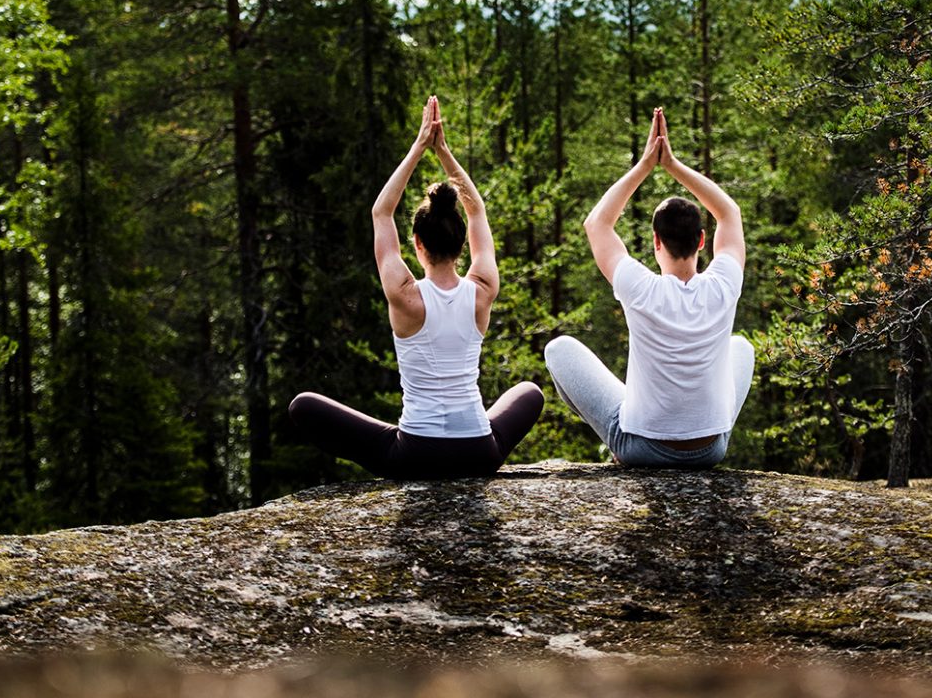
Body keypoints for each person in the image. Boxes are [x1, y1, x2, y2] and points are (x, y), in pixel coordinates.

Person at [288, 96, 544, 479]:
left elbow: (381, 212)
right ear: (462, 245)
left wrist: (419, 147)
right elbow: (477, 210)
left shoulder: (404, 295)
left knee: (303, 406)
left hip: (415, 456)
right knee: (530, 392)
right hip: (479, 453)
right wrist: (444, 154)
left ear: (417, 244)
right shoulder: (482, 290)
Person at [544, 107, 751, 468]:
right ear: (702, 241)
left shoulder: (640, 288)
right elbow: (729, 213)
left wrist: (645, 165)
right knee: (742, 347)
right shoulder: (724, 284)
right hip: (710, 450)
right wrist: (673, 165)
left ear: (656, 241)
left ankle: (621, 441)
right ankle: (695, 425)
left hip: (641, 449)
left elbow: (597, 224)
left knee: (558, 348)